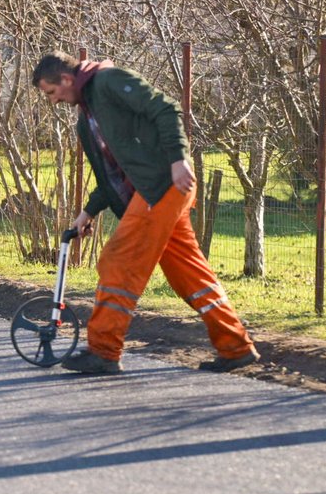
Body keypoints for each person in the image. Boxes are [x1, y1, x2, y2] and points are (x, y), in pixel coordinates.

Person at [31, 51, 259, 376]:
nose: (53, 101)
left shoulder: (109, 80)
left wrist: (179, 159)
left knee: (118, 261)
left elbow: (165, 108)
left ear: (66, 79)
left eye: (51, 93)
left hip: (163, 186)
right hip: (156, 192)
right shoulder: (87, 118)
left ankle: (104, 351)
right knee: (190, 275)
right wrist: (88, 212)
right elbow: (109, 175)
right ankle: (235, 346)